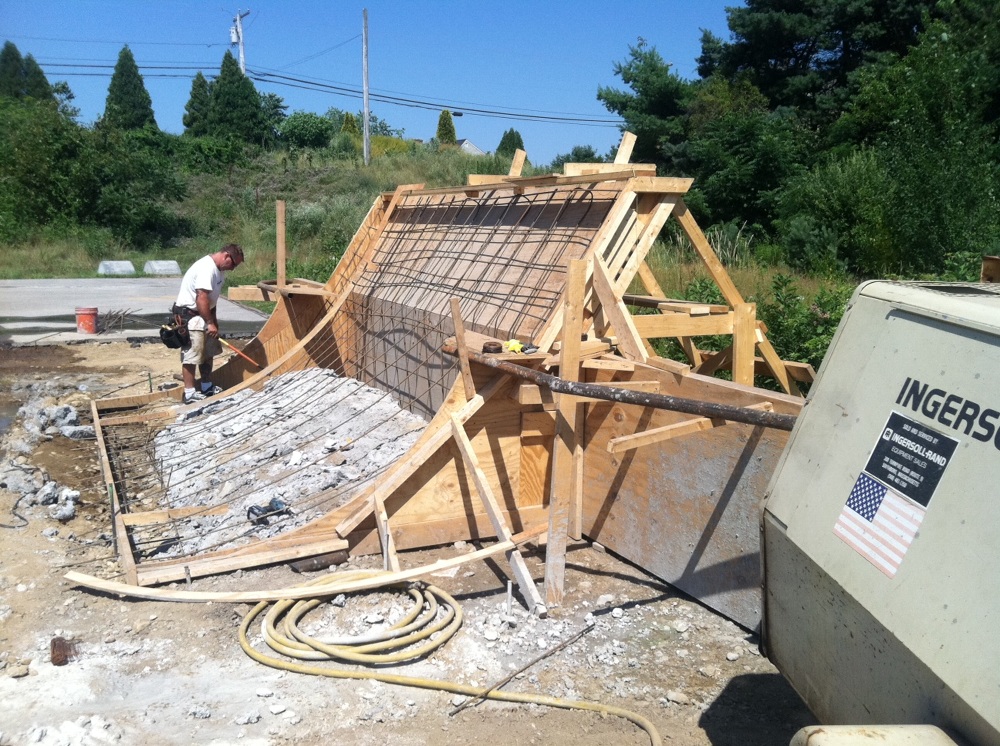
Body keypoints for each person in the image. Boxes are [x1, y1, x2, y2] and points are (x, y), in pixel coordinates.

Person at [172, 244, 244, 404]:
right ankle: (189, 393)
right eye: (233, 264)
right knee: (192, 354)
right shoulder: (207, 268)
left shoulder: (219, 271)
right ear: (226, 256)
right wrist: (209, 322)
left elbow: (212, 300)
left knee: (208, 352)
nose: (233, 268)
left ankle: (206, 386)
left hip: (204, 316)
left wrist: (214, 323)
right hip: (190, 316)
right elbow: (202, 298)